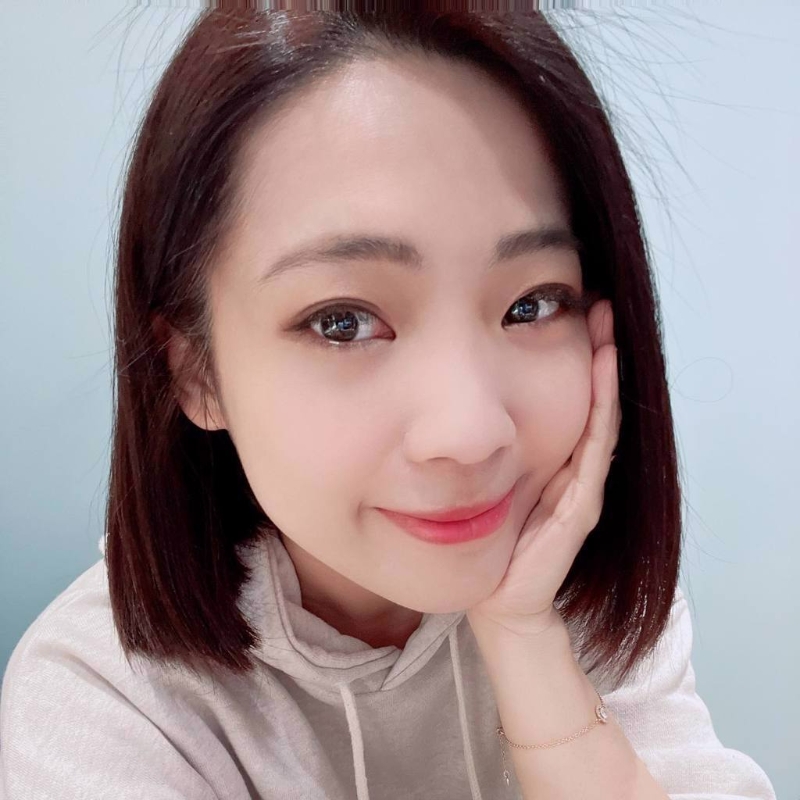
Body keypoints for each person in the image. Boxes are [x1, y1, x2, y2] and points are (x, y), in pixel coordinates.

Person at [0, 8, 777, 800]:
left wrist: (526, 643)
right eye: (342, 322)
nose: (469, 433)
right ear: (196, 372)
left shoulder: (580, 580)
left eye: (532, 304)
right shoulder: (103, 705)